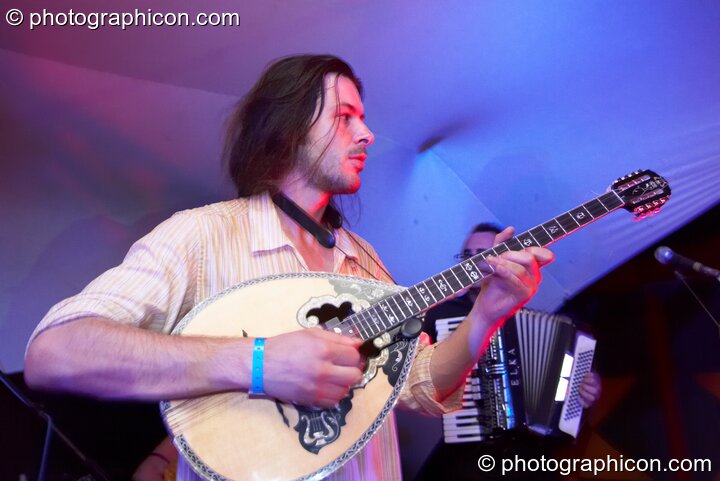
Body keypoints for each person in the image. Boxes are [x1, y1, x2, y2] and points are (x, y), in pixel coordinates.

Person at [23, 55, 553, 481]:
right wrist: (257, 363)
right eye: (345, 116)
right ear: (287, 130)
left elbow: (417, 384)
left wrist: (488, 314)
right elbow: (55, 353)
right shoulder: (204, 234)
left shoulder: (364, 261)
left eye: (363, 118)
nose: (367, 133)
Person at [415, 222, 601, 481]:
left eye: (483, 254)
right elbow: (413, 377)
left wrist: (582, 389)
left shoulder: (521, 316)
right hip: (466, 454)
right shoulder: (441, 313)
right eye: (467, 256)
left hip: (526, 458)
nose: (474, 263)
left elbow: (560, 390)